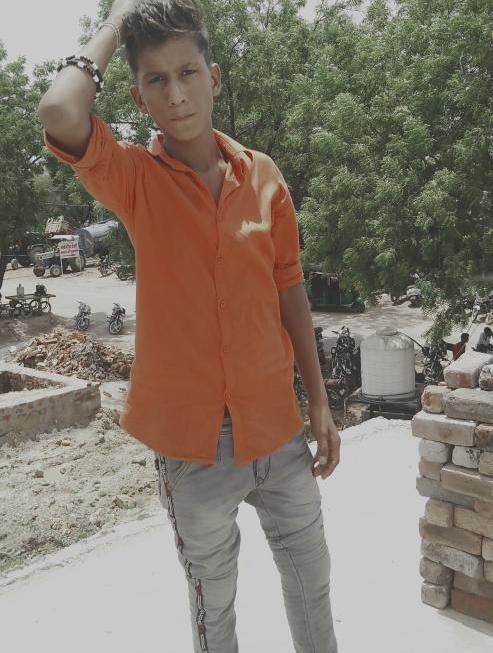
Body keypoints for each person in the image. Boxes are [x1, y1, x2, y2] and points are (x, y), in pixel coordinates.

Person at [38, 1, 340, 651]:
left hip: (277, 427)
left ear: (214, 78)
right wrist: (118, 20)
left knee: (311, 582)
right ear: (138, 98)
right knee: (214, 607)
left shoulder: (262, 176)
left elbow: (289, 288)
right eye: (156, 80)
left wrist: (318, 401)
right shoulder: (134, 180)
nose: (175, 94)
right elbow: (60, 111)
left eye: (187, 73)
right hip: (193, 447)